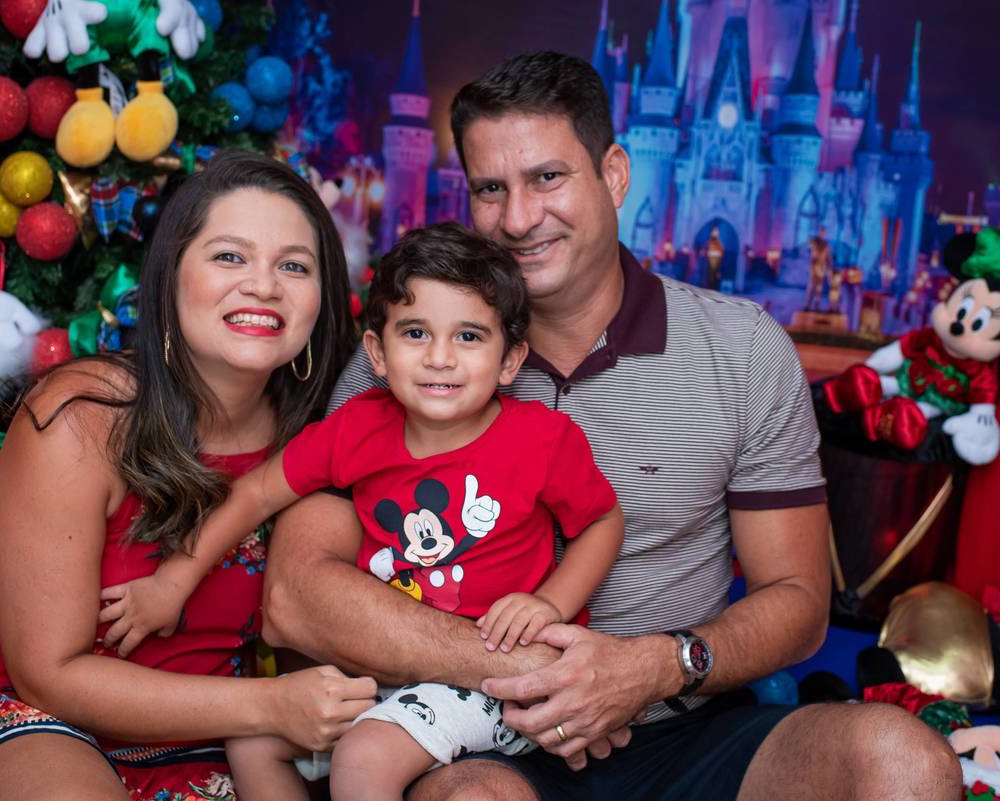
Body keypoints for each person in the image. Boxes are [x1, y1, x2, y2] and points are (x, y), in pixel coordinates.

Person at [262, 51, 962, 801]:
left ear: (616, 174)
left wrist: (652, 669)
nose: (518, 218)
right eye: (491, 188)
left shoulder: (742, 348)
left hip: (685, 728)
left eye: (547, 178)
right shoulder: (411, 364)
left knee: (904, 760)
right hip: (479, 732)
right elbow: (294, 596)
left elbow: (797, 600)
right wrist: (537, 674)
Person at [0, 150, 379, 801]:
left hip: (214, 740)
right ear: (171, 276)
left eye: (294, 265)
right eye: (230, 256)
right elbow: (47, 675)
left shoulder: (320, 441)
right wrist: (268, 705)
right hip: (30, 722)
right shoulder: (82, 415)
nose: (264, 286)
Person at [98, 222, 625, 801]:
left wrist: (551, 603)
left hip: (493, 683)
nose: (441, 358)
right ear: (377, 352)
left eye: (469, 336)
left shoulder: (542, 439)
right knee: (253, 740)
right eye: (416, 333)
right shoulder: (358, 427)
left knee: (365, 759)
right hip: (387, 671)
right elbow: (256, 493)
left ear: (509, 360)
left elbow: (603, 522)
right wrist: (172, 582)